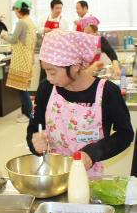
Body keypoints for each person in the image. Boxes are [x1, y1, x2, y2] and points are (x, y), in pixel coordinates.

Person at [27, 30, 134, 177]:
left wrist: (93, 153)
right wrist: (35, 142)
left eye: (52, 72)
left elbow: (125, 134)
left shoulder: (107, 92)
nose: (49, 78)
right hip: (53, 174)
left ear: (75, 66)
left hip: (89, 178)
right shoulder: (46, 89)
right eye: (45, 71)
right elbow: (34, 128)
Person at [0, 0, 36, 123]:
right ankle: (25, 112)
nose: (15, 12)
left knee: (21, 88)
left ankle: (28, 114)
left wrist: (3, 36)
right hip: (27, 56)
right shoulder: (30, 22)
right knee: (23, 86)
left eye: (15, 10)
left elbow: (13, 40)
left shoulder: (21, 22)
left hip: (21, 58)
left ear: (19, 9)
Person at [38, 0, 69, 82]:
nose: (59, 10)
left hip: (58, 52)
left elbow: (66, 36)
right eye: (57, 8)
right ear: (52, 8)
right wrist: (44, 30)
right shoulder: (44, 18)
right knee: (44, 73)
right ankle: (43, 93)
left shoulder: (63, 21)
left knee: (56, 73)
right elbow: (38, 29)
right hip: (45, 50)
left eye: (60, 8)